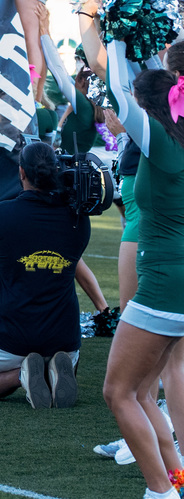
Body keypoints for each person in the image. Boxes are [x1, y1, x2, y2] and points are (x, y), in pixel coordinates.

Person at [103, 38, 184, 499]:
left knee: (119, 392)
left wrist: (115, 32)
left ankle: (160, 492)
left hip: (166, 284)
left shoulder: (161, 141)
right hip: (177, 281)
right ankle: (177, 481)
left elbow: (120, 90)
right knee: (142, 394)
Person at [0, 142, 89, 408]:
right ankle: (49, 369)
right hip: (64, 337)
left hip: (14, 336)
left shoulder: (0, 214)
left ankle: (22, 375)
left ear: (22, 172)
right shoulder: (78, 218)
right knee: (64, 358)